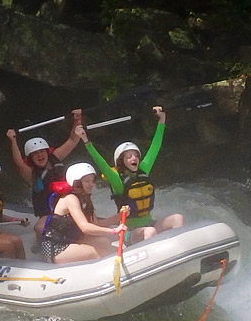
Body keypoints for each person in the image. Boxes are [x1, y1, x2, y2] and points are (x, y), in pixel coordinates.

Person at [79, 105, 184, 244]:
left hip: (149, 224)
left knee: (177, 218)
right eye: (128, 156)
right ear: (121, 161)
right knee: (150, 232)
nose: (133, 158)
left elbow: (155, 146)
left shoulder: (143, 170)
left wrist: (162, 121)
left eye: (135, 155)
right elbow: (101, 163)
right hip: (129, 232)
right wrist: (86, 141)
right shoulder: (117, 180)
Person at [6, 110, 85, 236]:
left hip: (70, 206)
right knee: (39, 228)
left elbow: (72, 140)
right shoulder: (31, 173)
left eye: (42, 151)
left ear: (47, 152)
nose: (40, 155)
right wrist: (13, 140)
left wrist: (77, 120)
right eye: (35, 153)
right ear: (31, 157)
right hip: (49, 214)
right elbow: (19, 163)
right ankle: (42, 243)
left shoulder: (56, 157)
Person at [38, 162, 127, 264]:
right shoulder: (70, 199)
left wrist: (118, 217)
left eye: (92, 181)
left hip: (73, 240)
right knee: (96, 253)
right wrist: (114, 231)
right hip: (56, 246)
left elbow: (94, 224)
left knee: (105, 242)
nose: (91, 184)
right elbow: (85, 227)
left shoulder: (85, 198)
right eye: (87, 181)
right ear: (77, 182)